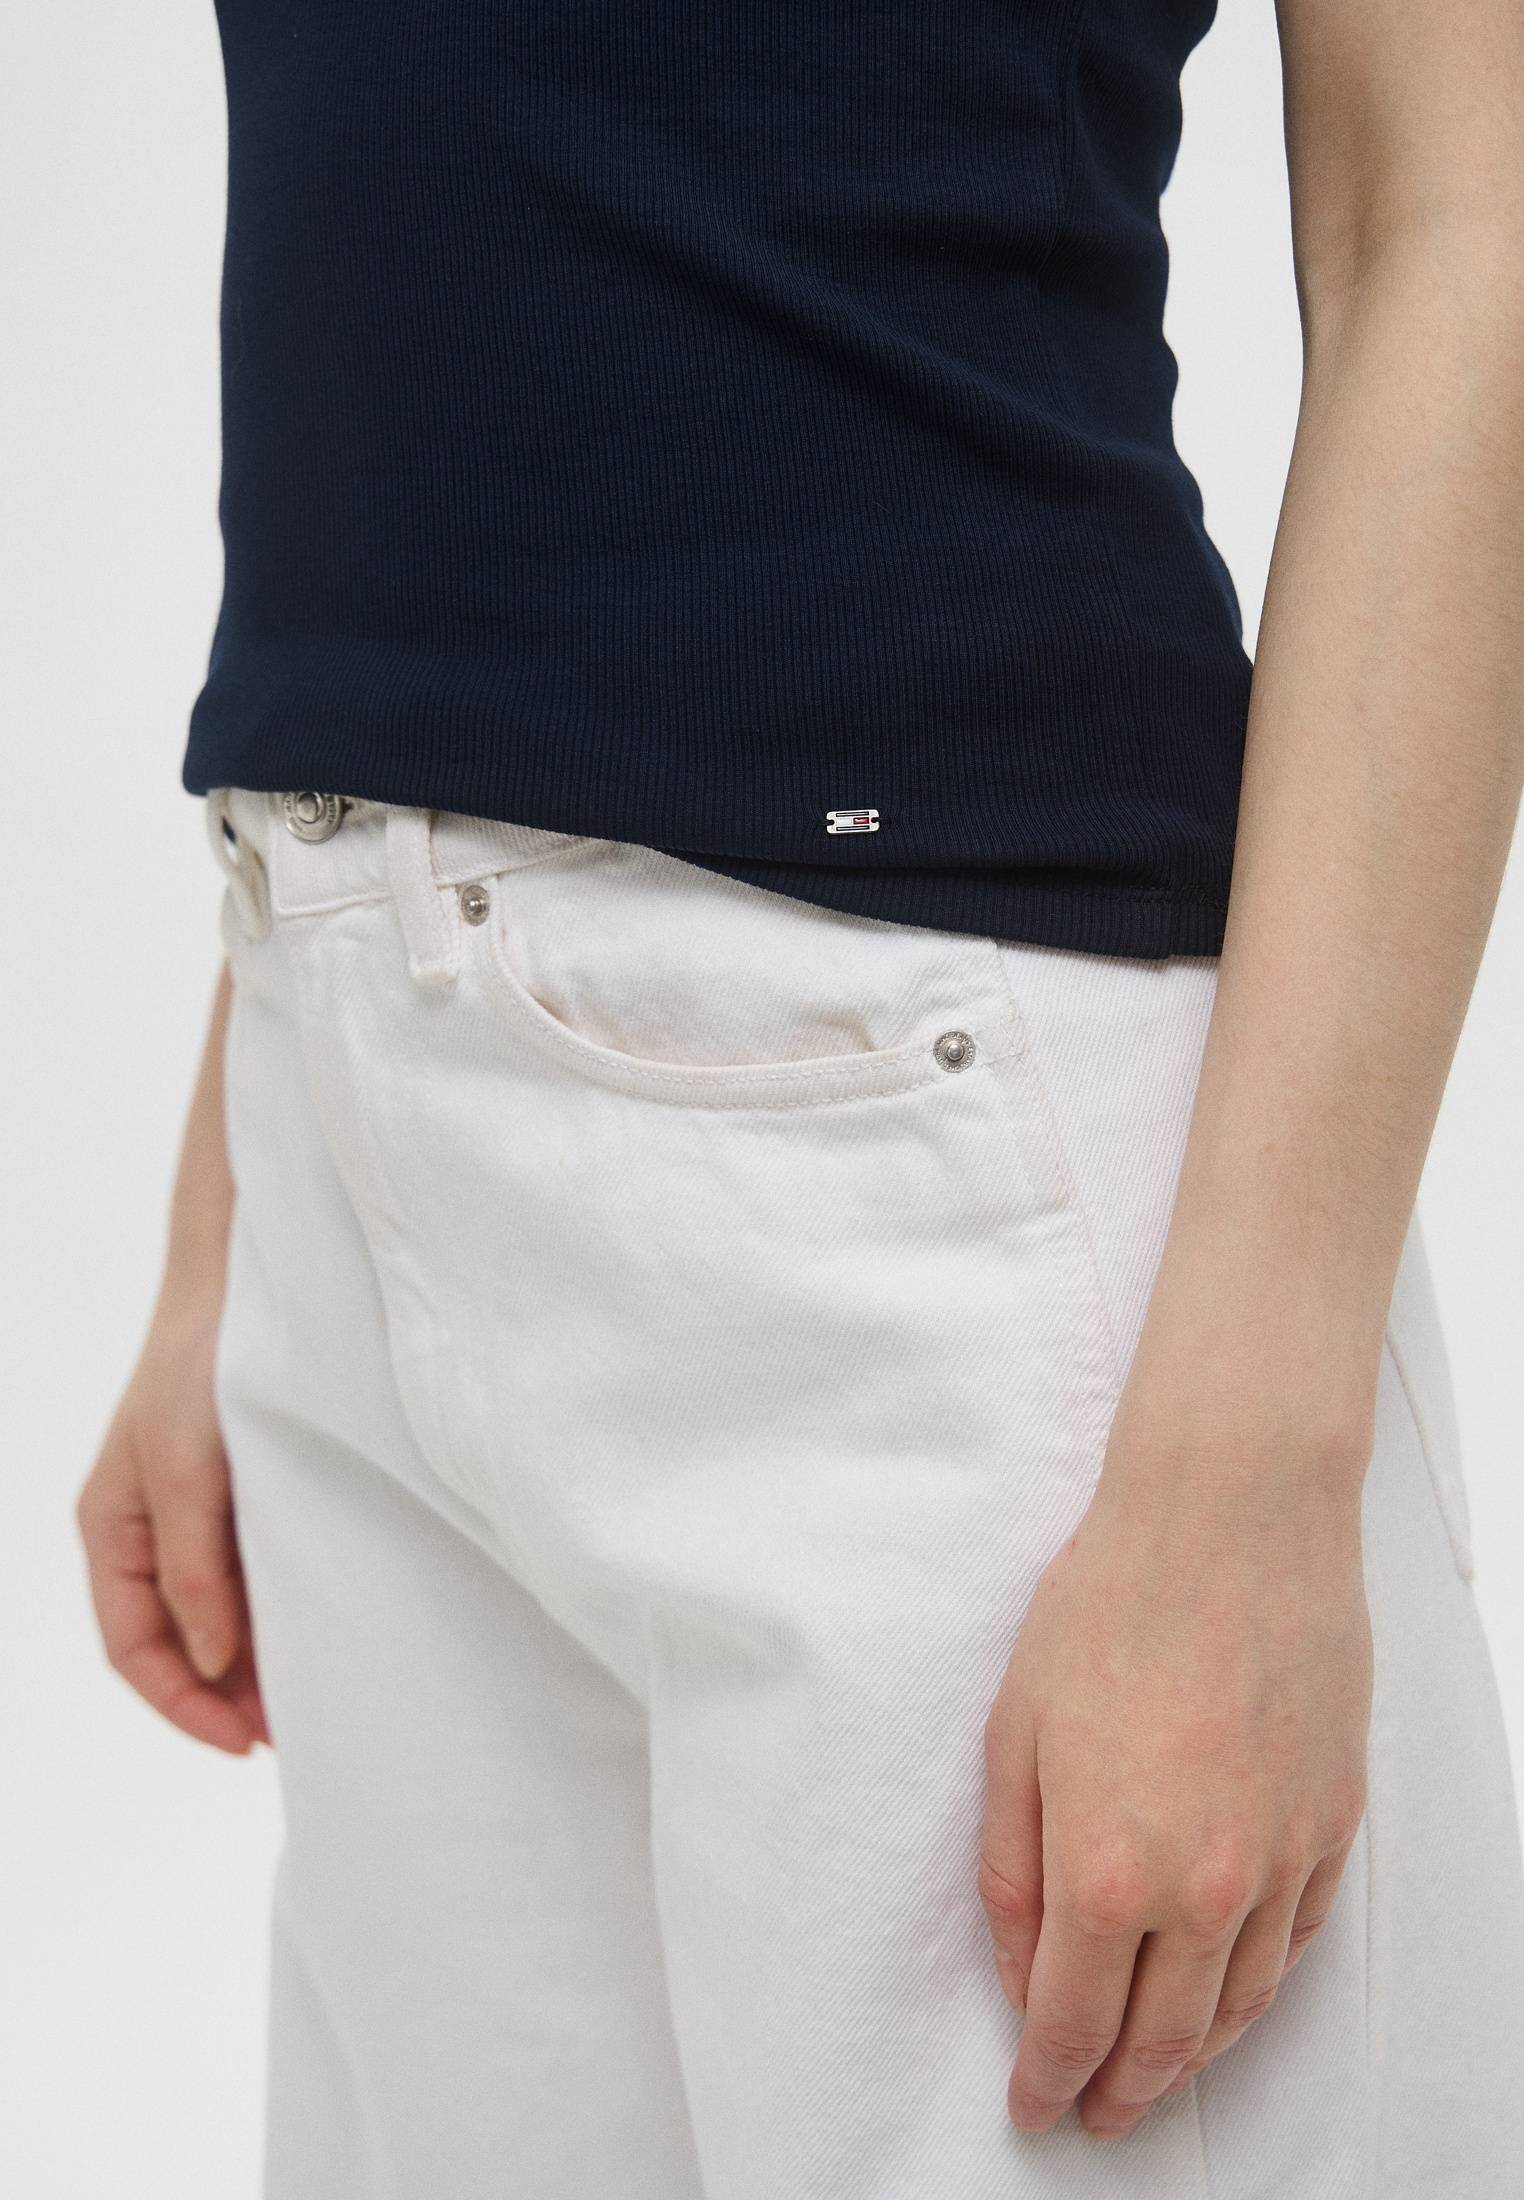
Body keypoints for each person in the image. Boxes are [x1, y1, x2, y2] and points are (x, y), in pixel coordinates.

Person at [77, 1, 1524, 2192]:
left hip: (927, 1186)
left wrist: (1251, 1470)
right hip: (353, 1132)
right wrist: (244, 1175)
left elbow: (1460, 223)